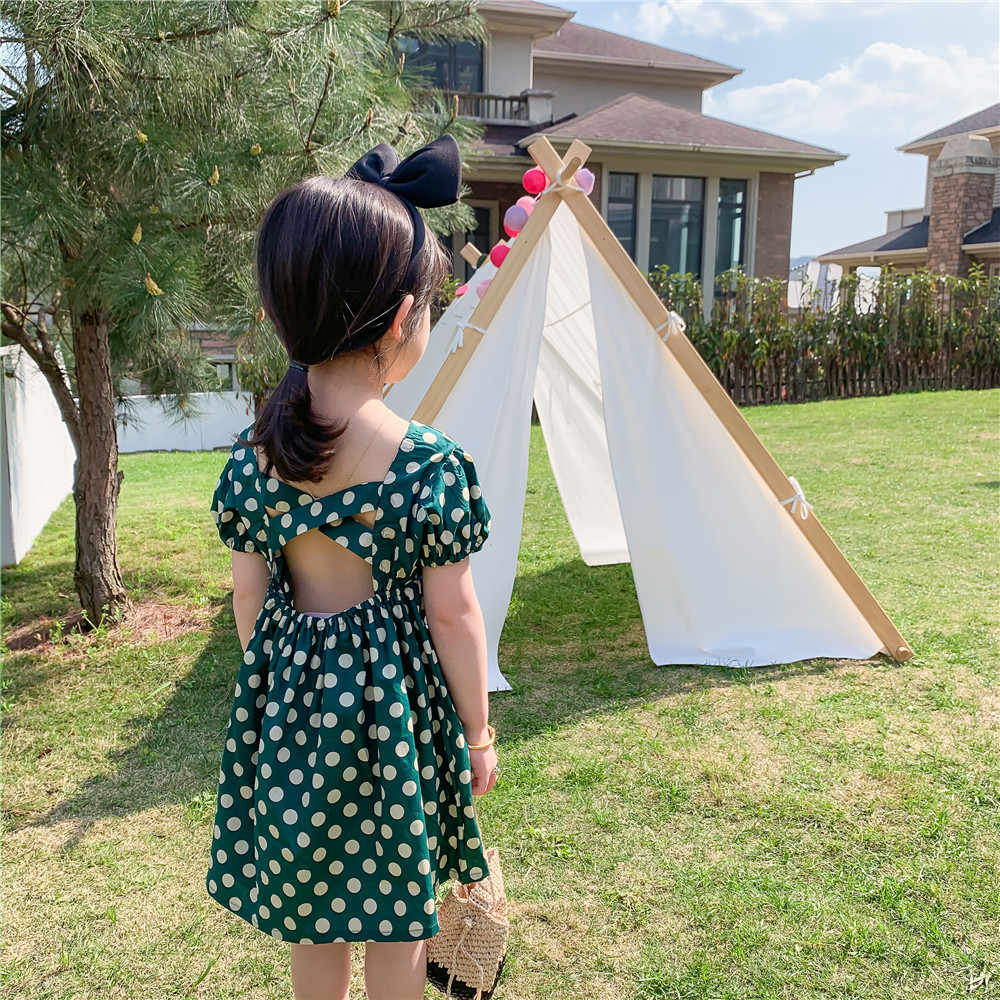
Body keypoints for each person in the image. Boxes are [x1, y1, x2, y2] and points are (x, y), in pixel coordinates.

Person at [205, 135, 500, 1000]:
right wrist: (477, 731)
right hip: (398, 724)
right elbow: (453, 615)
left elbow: (249, 596)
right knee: (396, 915)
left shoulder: (256, 458)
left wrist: (283, 686)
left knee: (314, 913)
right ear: (406, 318)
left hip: (294, 719)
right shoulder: (427, 464)